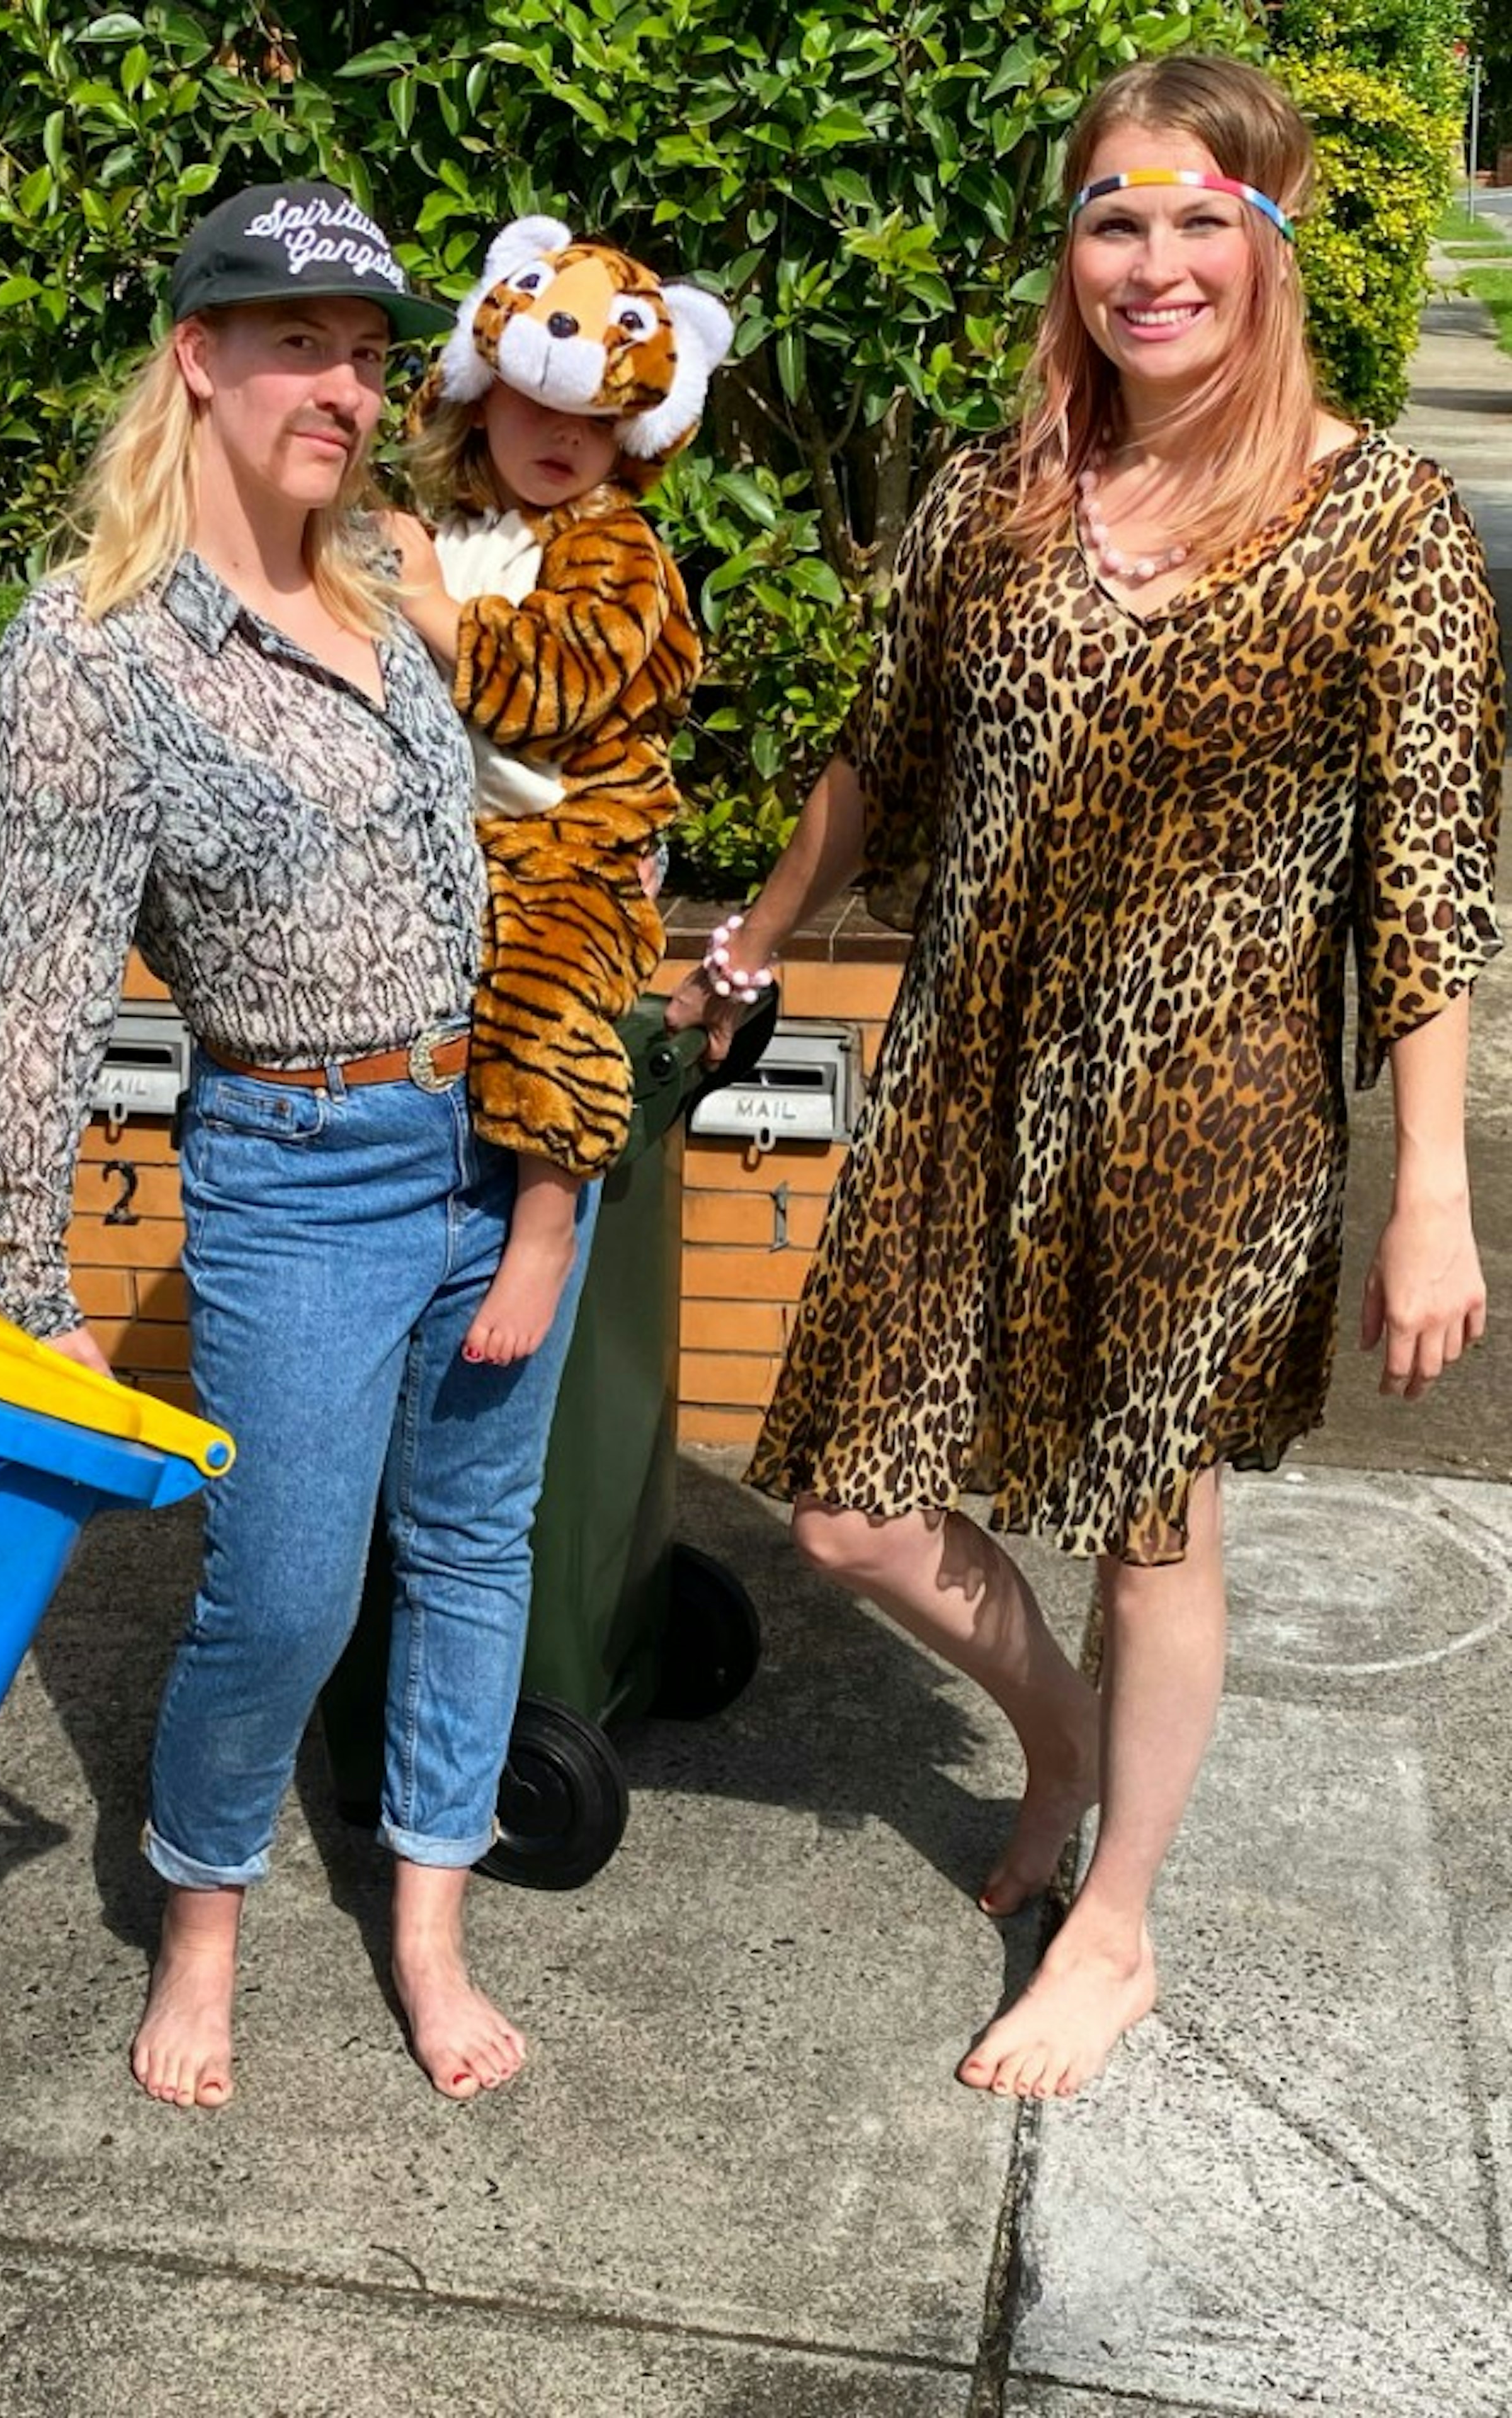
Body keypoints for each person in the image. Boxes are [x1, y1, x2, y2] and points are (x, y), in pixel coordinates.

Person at [667, 52, 1503, 2101]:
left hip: (1215, 1116)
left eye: (1201, 217)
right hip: (970, 1063)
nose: (1153, 261)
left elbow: (1432, 876)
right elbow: (887, 753)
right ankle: (1054, 1740)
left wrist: (1429, 1194)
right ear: (1075, 245)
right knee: (858, 1518)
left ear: (1271, 241)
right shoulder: (996, 494)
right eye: (1115, 217)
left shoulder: (1374, 523)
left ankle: (1115, 1926)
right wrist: (764, 932)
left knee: (1154, 1533)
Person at [0, 183, 597, 2109]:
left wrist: (564, 1165)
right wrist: (24, 1279)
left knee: (476, 1551)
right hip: (296, 1163)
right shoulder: (96, 653)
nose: (343, 381)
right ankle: (204, 1917)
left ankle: (429, 1925)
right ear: (201, 359)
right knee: (290, 1586)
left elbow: (538, 849)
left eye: (367, 349)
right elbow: (43, 983)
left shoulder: (398, 589)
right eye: (299, 340)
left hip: (487, 1140)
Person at [387, 217, 732, 1364]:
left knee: (545, 1006)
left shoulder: (613, 543)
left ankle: (544, 1232)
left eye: (594, 422)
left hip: (574, 840)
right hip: (454, 840)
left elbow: (560, 687)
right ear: (481, 396)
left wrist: (432, 610)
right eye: (539, 405)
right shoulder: (450, 525)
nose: (563, 438)